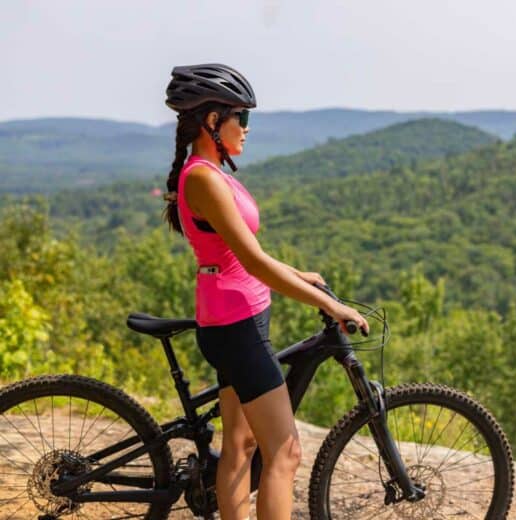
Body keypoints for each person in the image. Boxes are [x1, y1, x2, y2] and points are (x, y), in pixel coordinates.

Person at [162, 63, 368, 520]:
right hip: (236, 327)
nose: (248, 129)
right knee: (285, 452)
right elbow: (252, 263)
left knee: (240, 443)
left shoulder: (213, 172)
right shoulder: (202, 178)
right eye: (243, 118)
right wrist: (330, 304)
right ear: (213, 122)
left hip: (237, 319)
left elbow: (243, 252)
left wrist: (300, 274)